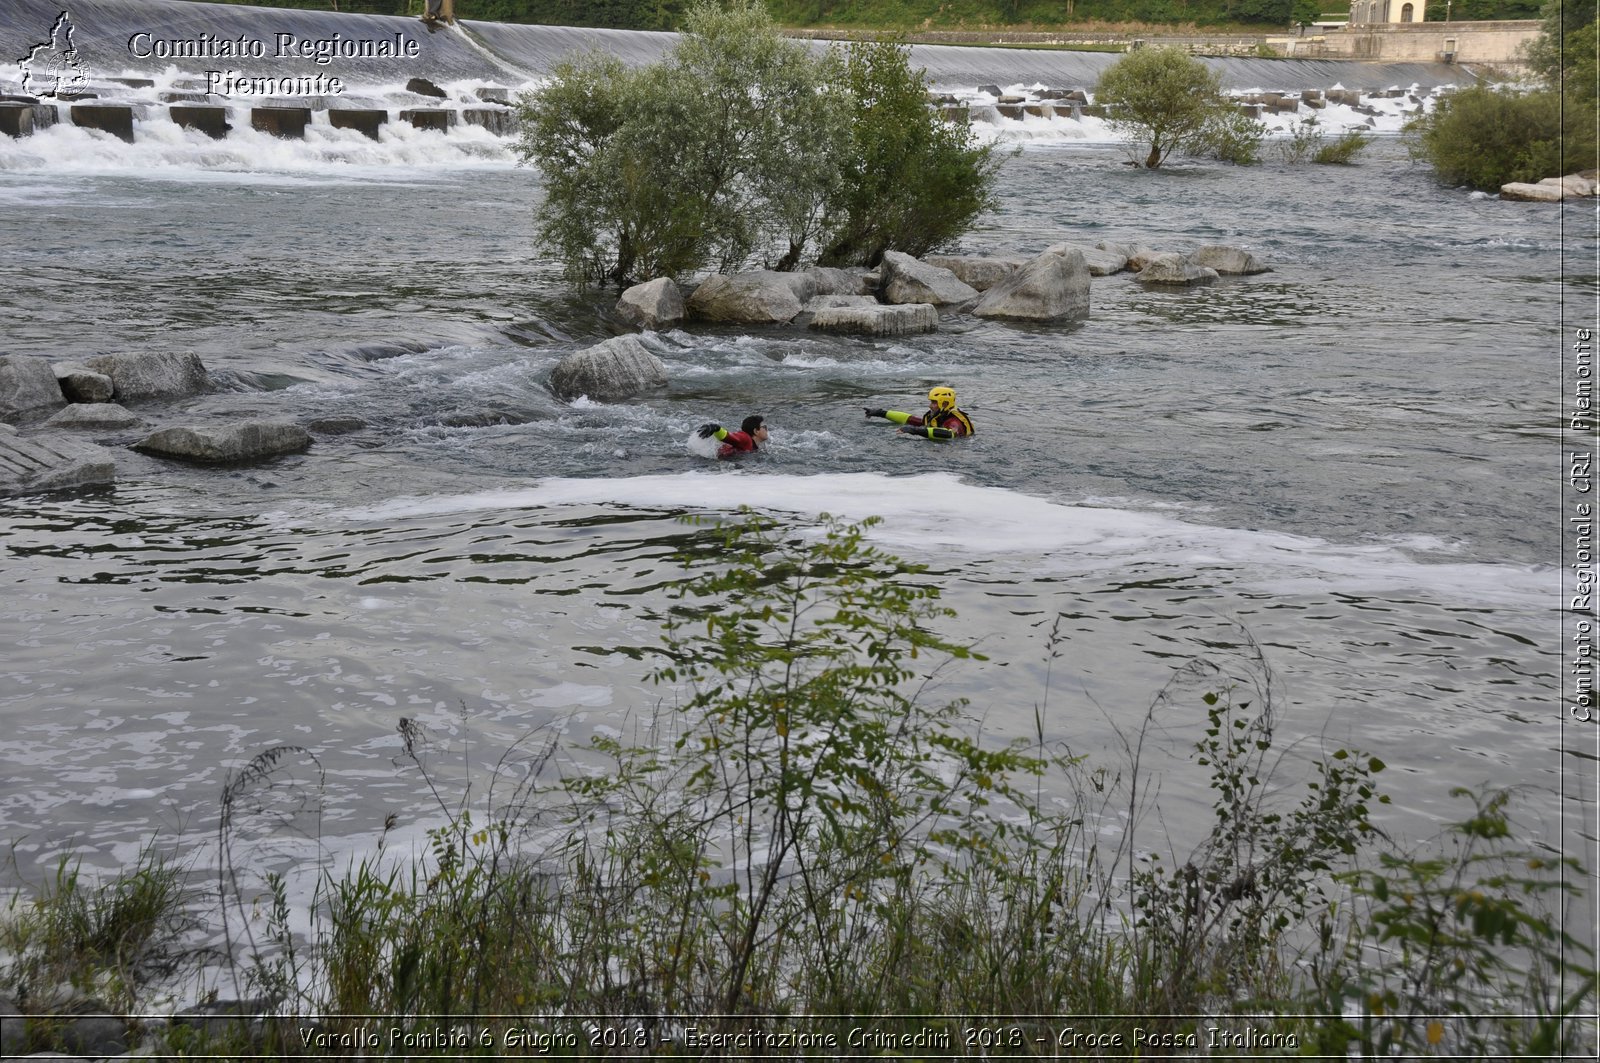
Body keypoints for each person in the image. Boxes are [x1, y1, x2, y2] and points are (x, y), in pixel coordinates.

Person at [864, 386, 975, 440]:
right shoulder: (939, 416)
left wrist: (915, 430)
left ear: (945, 404)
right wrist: (882, 413)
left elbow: (950, 434)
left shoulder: (953, 420)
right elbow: (913, 420)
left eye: (934, 402)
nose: (930, 406)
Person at [697, 414, 768, 458]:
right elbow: (730, 437)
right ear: (756, 431)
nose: (767, 429)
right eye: (764, 427)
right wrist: (716, 428)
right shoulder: (746, 438)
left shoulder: (754, 446)